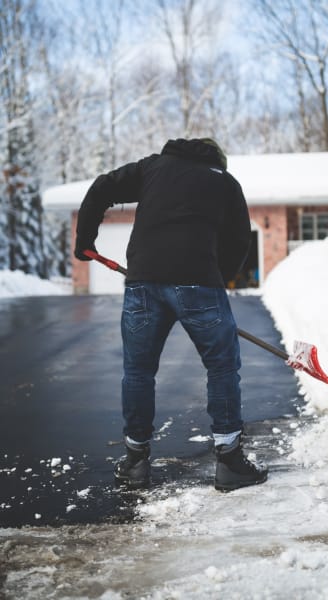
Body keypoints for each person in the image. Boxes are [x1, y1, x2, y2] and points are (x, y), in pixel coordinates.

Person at [74, 138, 268, 492]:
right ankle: (229, 462)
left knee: (138, 371)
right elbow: (240, 238)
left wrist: (84, 239)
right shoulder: (224, 182)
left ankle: (135, 461)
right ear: (218, 160)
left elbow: (102, 186)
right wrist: (214, 277)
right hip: (199, 283)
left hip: (143, 282)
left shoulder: (152, 168)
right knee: (222, 367)